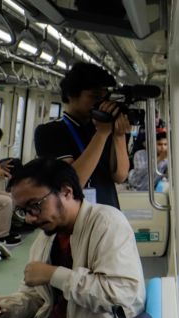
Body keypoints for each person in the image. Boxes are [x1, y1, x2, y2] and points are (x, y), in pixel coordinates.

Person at [0, 157, 146, 318]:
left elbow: (124, 295)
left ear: (66, 192)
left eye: (35, 206)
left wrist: (53, 274)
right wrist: (3, 309)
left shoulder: (107, 223)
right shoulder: (45, 238)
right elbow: (35, 298)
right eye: (23, 211)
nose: (30, 219)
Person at [35, 62, 130, 209]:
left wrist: (119, 135)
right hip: (74, 219)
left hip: (108, 211)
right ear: (71, 95)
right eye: (95, 96)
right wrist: (102, 134)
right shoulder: (50, 131)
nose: (101, 103)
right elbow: (71, 182)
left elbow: (120, 176)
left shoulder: (104, 126)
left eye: (105, 98)